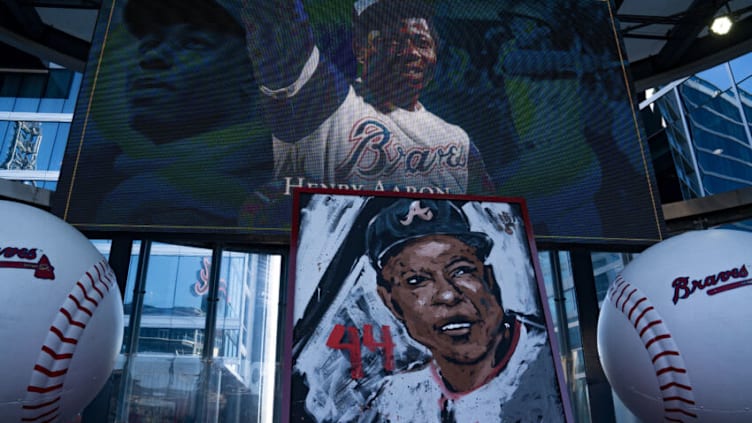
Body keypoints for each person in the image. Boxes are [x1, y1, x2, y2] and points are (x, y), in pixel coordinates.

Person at [241, 0, 493, 195]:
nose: (411, 52)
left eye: (421, 42)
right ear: (361, 49)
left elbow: (493, 220)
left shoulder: (458, 140)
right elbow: (278, 29)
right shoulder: (325, 101)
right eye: (393, 40)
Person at [360, 198, 565, 422]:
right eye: (417, 280)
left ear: (488, 278)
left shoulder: (552, 363)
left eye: (461, 270)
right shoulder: (398, 400)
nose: (448, 295)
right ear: (391, 302)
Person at [90, 0, 273, 226]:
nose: (151, 57)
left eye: (193, 43)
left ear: (251, 73)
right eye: (147, 45)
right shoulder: (103, 173)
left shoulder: (272, 186)